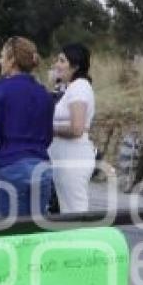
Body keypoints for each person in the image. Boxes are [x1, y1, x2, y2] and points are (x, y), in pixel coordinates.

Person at [0, 36, 54, 218]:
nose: (0, 60)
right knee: (36, 231)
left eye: (3, 56)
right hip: (41, 167)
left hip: (13, 165)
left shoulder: (1, 87)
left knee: (12, 233)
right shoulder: (44, 93)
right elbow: (48, 135)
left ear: (12, 60)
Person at [49, 43, 96, 213]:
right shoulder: (71, 88)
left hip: (73, 160)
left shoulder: (80, 88)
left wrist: (47, 128)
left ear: (75, 66)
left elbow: (77, 129)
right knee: (67, 211)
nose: (56, 65)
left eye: (62, 61)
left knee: (75, 212)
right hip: (65, 160)